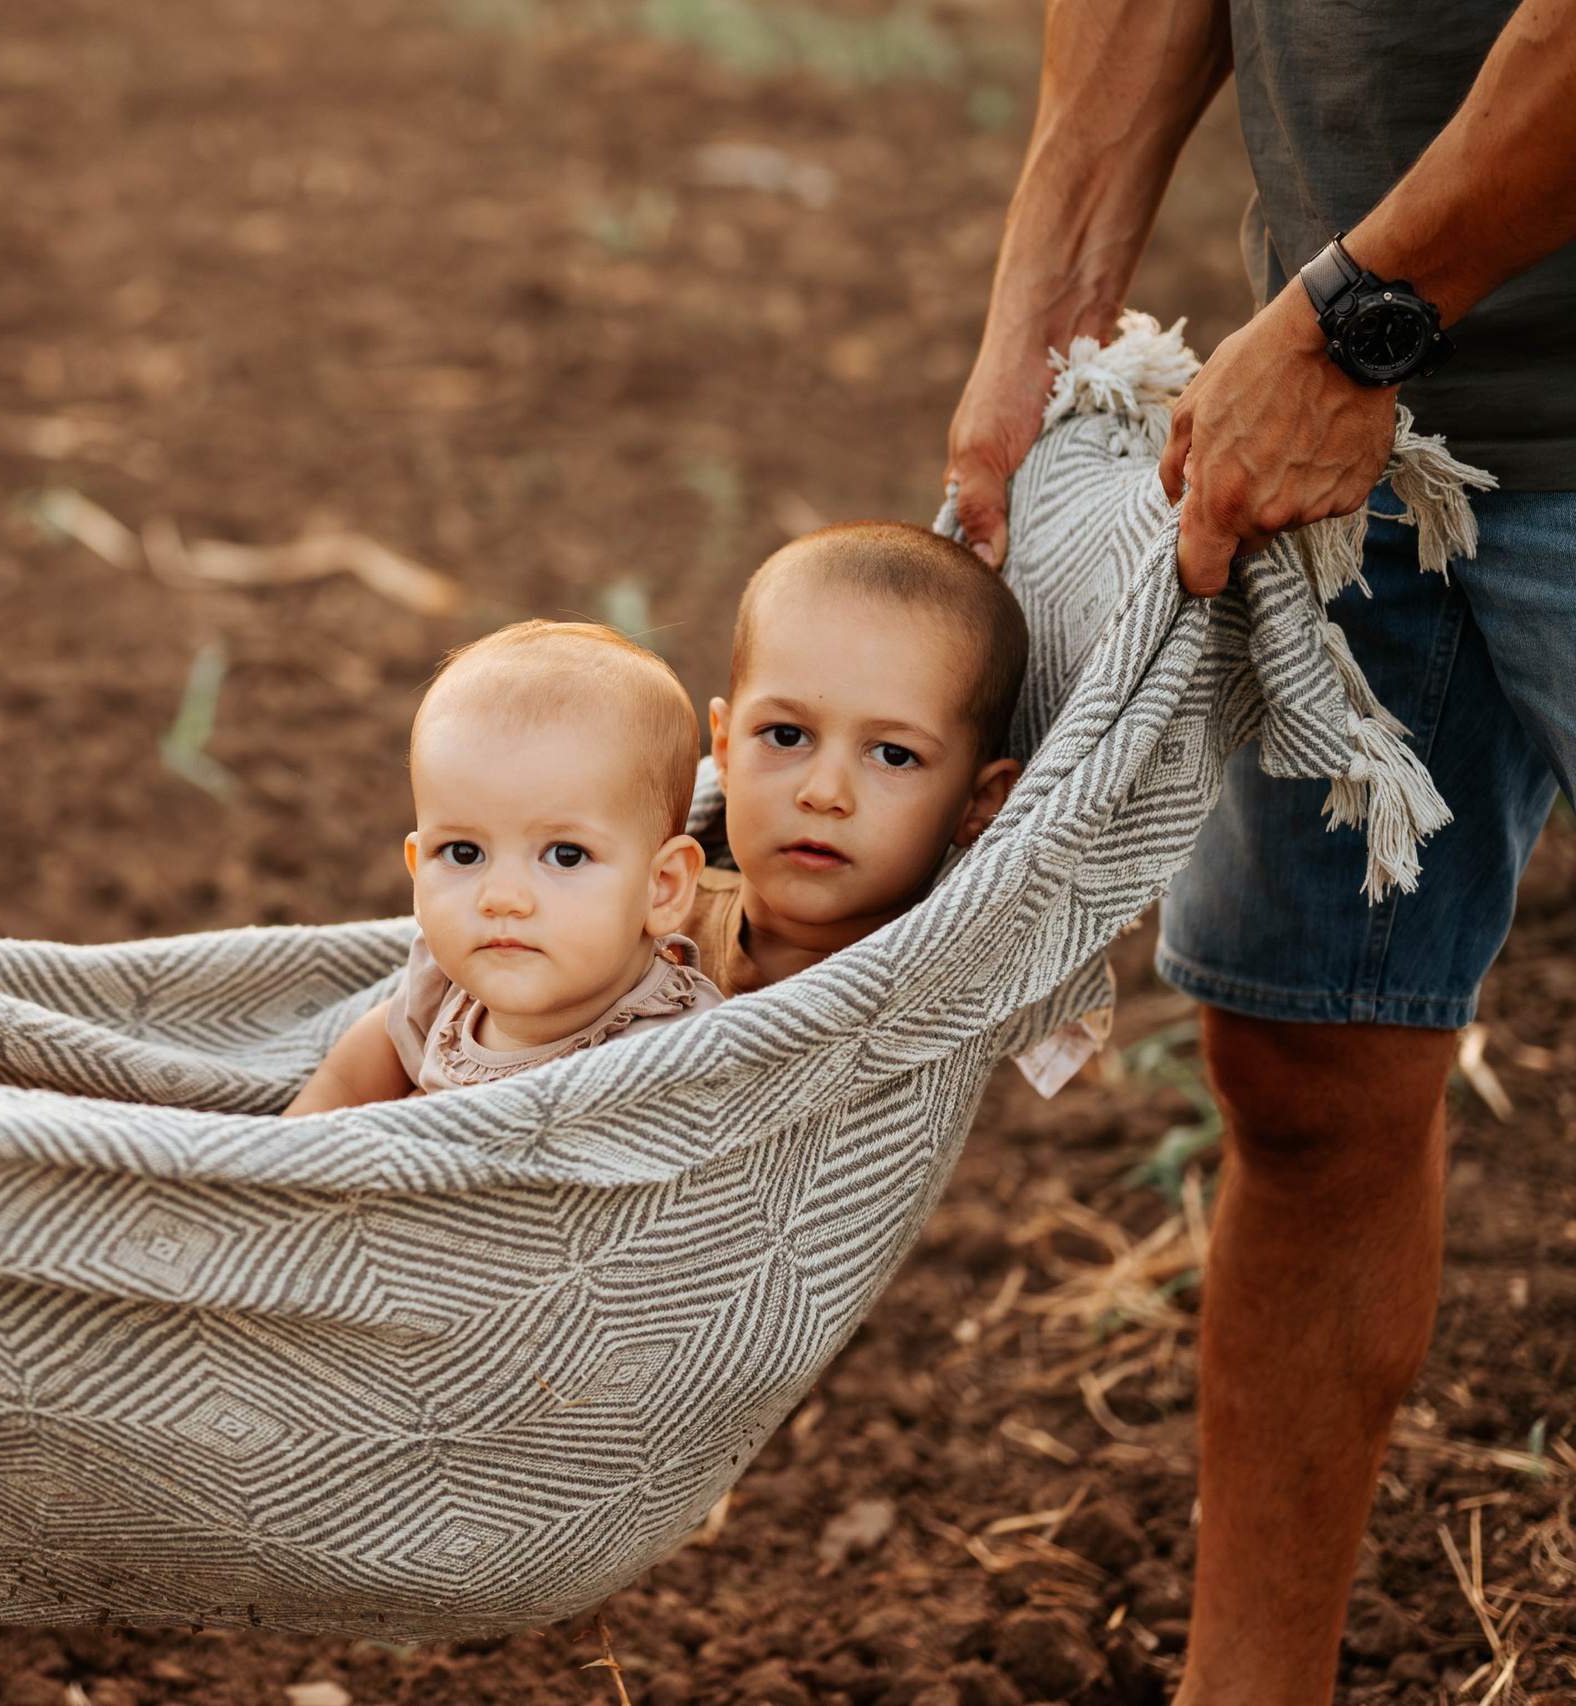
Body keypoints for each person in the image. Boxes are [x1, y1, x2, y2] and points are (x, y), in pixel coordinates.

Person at [944, 0, 1576, 1697]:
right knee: (1307, 1062)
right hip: (1348, 397)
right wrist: (1053, 308)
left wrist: (1356, 323)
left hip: (1357, 347)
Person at [286, 526, 1024, 1112]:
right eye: (787, 736)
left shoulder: (938, 987)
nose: (824, 791)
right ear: (726, 750)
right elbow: (372, 1060)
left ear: (981, 803)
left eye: (894, 755)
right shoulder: (617, 917)